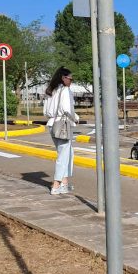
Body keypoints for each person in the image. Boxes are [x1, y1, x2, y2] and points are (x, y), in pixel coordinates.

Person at [43, 67, 79, 195]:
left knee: (67, 152)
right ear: (63, 78)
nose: (71, 81)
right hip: (62, 125)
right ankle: (56, 184)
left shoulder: (50, 91)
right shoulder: (65, 90)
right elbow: (67, 109)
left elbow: (45, 112)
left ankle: (64, 183)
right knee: (63, 155)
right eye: (70, 78)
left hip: (52, 124)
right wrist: (76, 118)